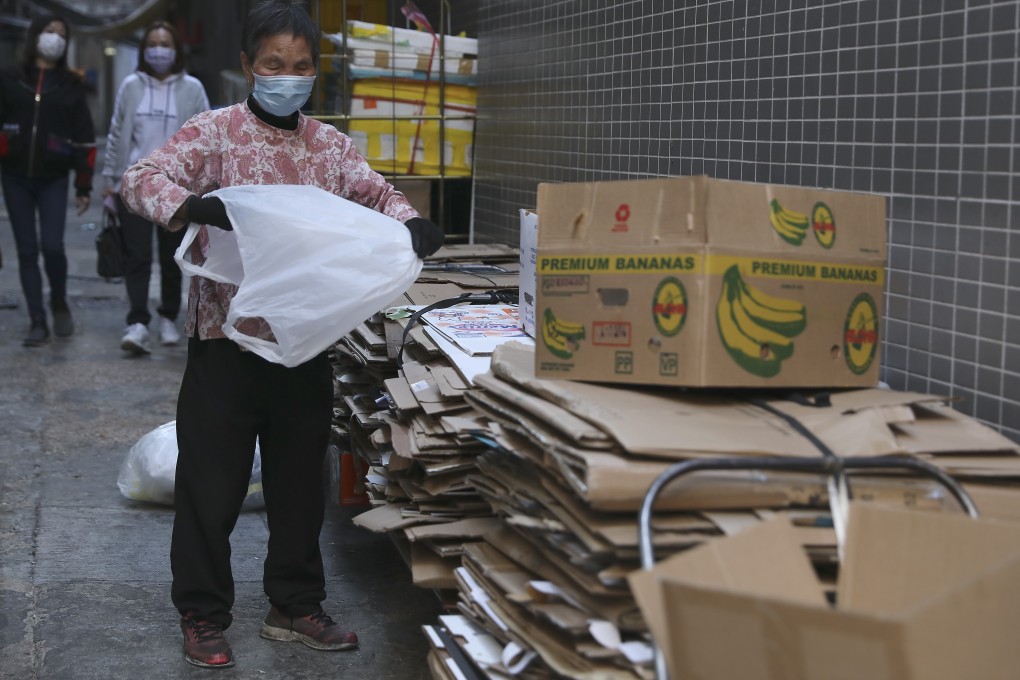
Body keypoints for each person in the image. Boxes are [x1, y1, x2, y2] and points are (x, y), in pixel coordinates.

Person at [119, 0, 443, 669]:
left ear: (314, 71)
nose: (287, 76)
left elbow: (378, 195)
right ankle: (203, 613)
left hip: (303, 342)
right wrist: (191, 206)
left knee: (299, 485)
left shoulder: (328, 147)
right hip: (224, 341)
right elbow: (140, 178)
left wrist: (412, 223)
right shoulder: (215, 133)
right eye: (274, 64)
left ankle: (295, 606)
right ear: (248, 66)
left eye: (299, 66)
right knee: (212, 486)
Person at [102, 21, 210, 355]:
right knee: (136, 256)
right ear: (143, 50)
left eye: (165, 44)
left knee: (171, 256)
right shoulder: (131, 86)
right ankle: (137, 322)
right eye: (152, 44)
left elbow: (206, 136)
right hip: (135, 185)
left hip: (175, 189)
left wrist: (203, 184)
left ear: (176, 50)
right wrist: (110, 181)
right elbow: (117, 133)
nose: (159, 50)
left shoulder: (192, 88)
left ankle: (167, 316)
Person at [0, 14, 95, 347]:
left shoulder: (69, 84)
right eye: (49, 31)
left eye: (61, 34)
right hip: (14, 177)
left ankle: (58, 300)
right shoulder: (10, 78)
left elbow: (84, 137)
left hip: (54, 177)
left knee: (52, 246)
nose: (55, 38)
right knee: (27, 250)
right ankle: (37, 319)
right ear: (35, 35)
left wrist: (83, 185)